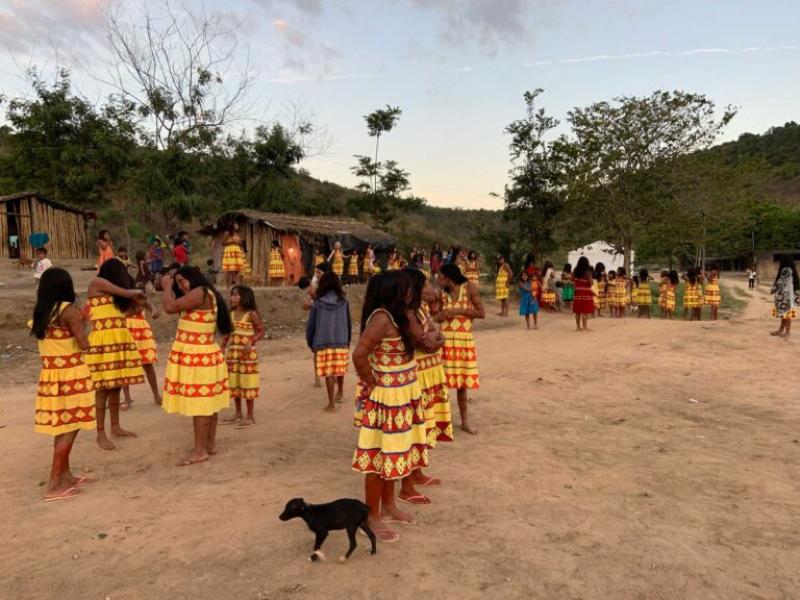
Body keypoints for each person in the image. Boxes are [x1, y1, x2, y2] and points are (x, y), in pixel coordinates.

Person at [352, 270, 429, 543]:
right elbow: (359, 354)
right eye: (407, 289)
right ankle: (371, 516)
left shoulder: (400, 316)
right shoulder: (383, 318)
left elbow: (424, 344)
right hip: (387, 399)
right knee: (377, 459)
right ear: (395, 291)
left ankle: (389, 506)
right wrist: (373, 384)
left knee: (394, 454)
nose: (412, 293)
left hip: (403, 396)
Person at [31, 268, 96, 501]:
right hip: (71, 375)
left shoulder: (43, 311)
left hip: (51, 375)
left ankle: (65, 475)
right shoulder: (68, 311)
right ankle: (53, 483)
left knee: (63, 427)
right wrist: (88, 320)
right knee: (70, 427)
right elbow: (84, 344)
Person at [161, 266, 232, 466]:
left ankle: (200, 450)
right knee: (208, 403)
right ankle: (209, 444)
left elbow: (169, 307)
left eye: (183, 281)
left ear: (194, 277)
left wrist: (166, 287)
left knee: (200, 405)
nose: (181, 286)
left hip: (198, 357)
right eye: (178, 283)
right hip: (203, 356)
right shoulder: (206, 293)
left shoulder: (199, 292)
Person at [399, 267, 449, 504]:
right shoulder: (408, 313)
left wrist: (437, 337)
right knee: (414, 428)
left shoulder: (420, 309)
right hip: (417, 375)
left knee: (423, 427)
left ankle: (416, 473)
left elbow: (436, 336)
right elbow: (426, 342)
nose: (430, 288)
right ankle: (406, 484)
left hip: (428, 373)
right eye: (425, 284)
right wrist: (438, 338)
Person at [85, 258, 145, 451]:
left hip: (118, 339)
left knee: (116, 385)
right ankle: (100, 433)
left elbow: (132, 307)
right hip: (103, 341)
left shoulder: (112, 293)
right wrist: (137, 291)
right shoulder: (97, 283)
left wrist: (141, 301)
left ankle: (115, 426)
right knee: (102, 389)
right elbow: (128, 292)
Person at [437, 262, 485, 435]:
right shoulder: (442, 293)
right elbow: (436, 316)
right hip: (446, 341)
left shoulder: (469, 287)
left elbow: (482, 313)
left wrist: (458, 310)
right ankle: (441, 422)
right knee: (441, 383)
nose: (437, 279)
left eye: (439, 276)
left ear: (447, 277)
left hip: (464, 341)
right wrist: (441, 316)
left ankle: (465, 421)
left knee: (462, 384)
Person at [306, 271, 351, 411]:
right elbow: (348, 323)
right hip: (341, 340)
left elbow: (311, 326)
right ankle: (341, 392)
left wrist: (310, 342)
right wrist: (347, 340)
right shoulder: (344, 302)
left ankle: (331, 404)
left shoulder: (318, 304)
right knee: (340, 369)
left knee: (329, 373)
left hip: (323, 342)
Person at [221, 285, 265, 428]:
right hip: (233, 354)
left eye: (235, 295)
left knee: (248, 383)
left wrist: (252, 341)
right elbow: (227, 333)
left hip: (247, 356)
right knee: (235, 383)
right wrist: (222, 347)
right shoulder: (231, 314)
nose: (232, 298)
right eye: (231, 295)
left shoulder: (252, 314)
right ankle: (238, 413)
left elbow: (261, 331)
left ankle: (250, 416)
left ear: (244, 297)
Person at [121, 295, 162, 410]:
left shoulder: (138, 296)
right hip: (126, 331)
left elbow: (152, 307)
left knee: (148, 365)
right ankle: (127, 398)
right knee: (124, 366)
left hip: (142, 334)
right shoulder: (120, 297)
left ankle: (156, 396)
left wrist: (154, 311)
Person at [771, 255, 799, 338]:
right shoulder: (789, 269)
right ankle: (781, 330)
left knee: (787, 314)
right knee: (784, 314)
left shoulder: (786, 270)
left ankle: (787, 332)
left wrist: (774, 288)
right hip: (786, 295)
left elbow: (782, 282)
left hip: (786, 296)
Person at [572, 257, 594, 331]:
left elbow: (573, 281)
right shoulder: (587, 271)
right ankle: (585, 327)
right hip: (585, 292)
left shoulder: (575, 270)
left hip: (577, 292)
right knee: (584, 310)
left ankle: (578, 327)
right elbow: (591, 283)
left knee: (577, 311)